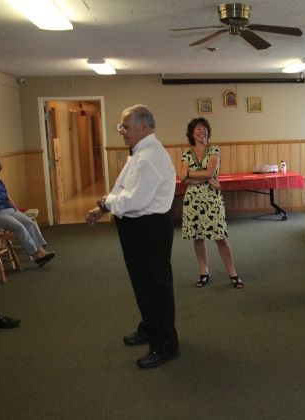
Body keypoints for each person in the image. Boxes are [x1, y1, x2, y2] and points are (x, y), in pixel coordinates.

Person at [86, 104, 178, 369]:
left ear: (144, 126)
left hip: (149, 227)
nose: (121, 131)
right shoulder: (140, 153)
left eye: (125, 126)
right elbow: (123, 189)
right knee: (142, 283)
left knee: (154, 284)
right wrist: (104, 207)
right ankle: (150, 326)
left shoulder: (150, 157)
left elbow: (134, 200)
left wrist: (105, 202)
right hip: (138, 226)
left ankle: (166, 344)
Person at [178, 117, 242, 289]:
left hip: (212, 199)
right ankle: (203, 272)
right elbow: (183, 177)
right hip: (193, 200)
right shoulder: (186, 153)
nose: (202, 131)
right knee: (198, 237)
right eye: (198, 129)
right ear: (192, 133)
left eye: (204, 128)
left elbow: (208, 172)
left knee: (220, 237)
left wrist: (191, 174)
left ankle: (233, 273)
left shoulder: (214, 150)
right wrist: (204, 177)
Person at [0, 159, 55, 267]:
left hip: (10, 210)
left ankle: (41, 251)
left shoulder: (0, 182)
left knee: (29, 223)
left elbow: (8, 197)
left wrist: (16, 210)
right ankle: (37, 255)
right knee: (19, 227)